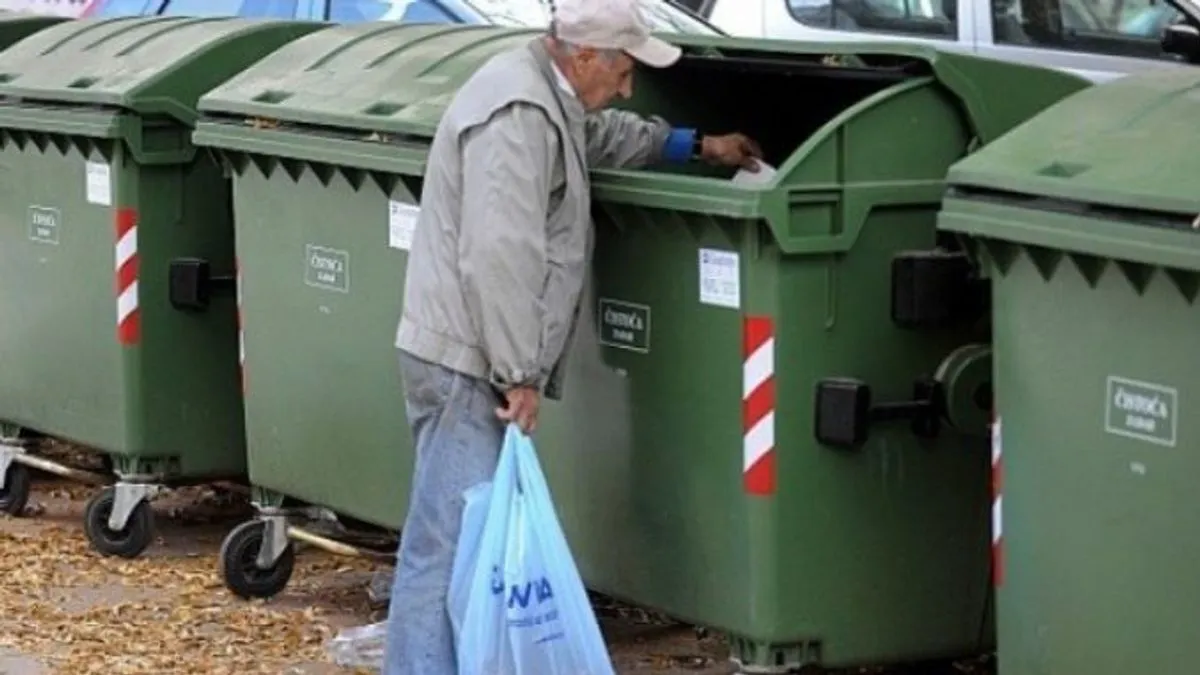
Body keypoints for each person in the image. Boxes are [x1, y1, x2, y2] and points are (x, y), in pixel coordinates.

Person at [383, 0, 763, 671]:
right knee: (447, 550)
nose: (628, 86)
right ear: (586, 56)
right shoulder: (519, 115)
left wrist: (696, 146)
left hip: (463, 353)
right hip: (469, 362)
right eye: (622, 71)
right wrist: (519, 372)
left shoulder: (542, 90)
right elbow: (499, 254)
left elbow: (600, 137)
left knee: (448, 539)